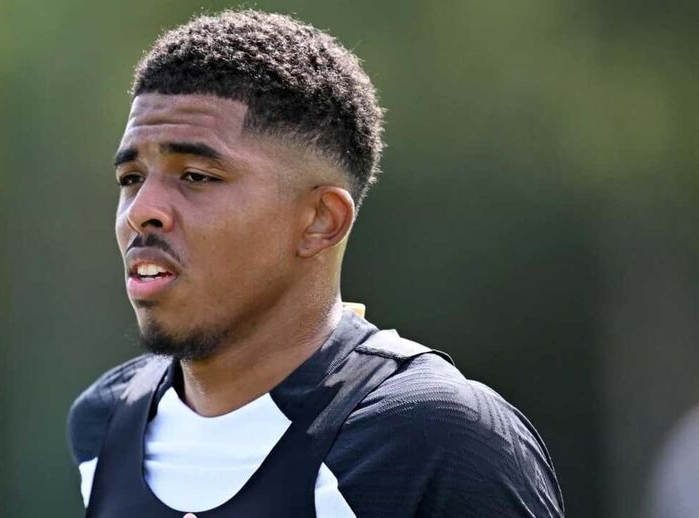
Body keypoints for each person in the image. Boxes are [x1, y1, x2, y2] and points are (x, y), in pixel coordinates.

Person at [68, 9, 563, 517]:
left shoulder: (435, 440)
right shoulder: (104, 421)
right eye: (131, 178)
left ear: (321, 221)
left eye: (196, 176)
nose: (141, 211)